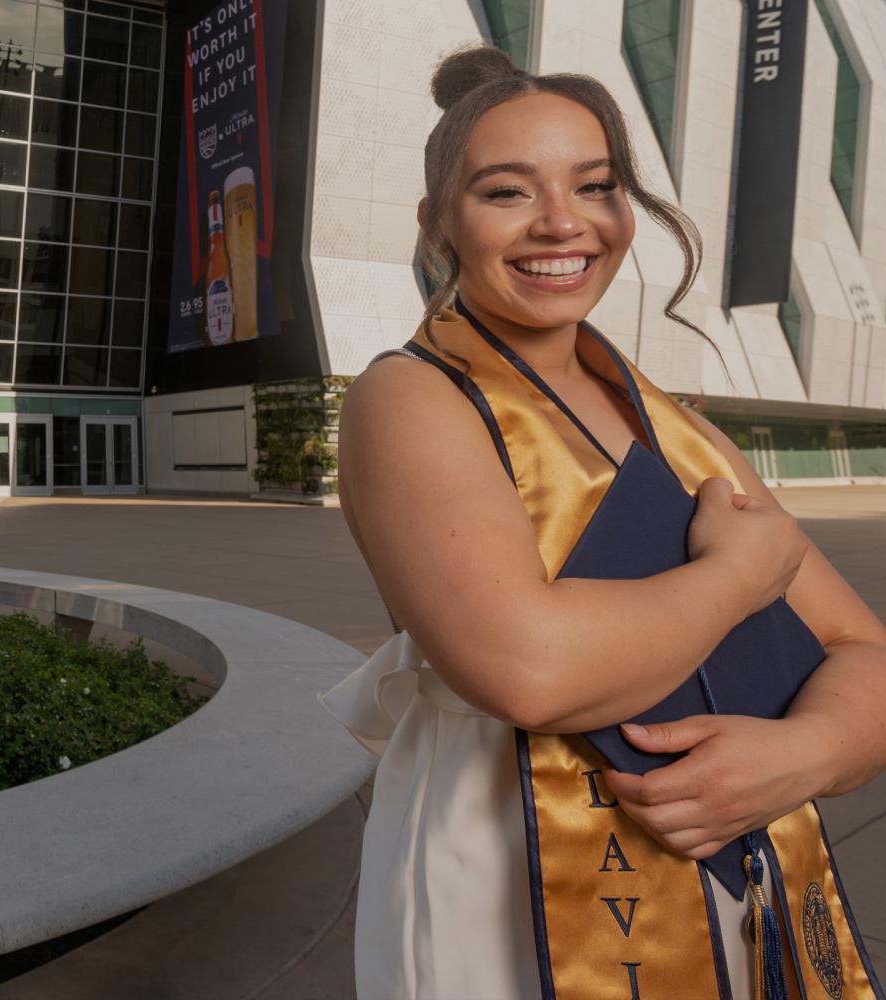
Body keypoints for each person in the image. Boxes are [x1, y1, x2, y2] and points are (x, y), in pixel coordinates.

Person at [320, 45, 886, 1000]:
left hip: (730, 855)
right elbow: (529, 670)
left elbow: (864, 650)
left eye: (595, 185)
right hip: (506, 862)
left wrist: (805, 753)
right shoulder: (410, 398)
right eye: (506, 191)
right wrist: (740, 578)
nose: (561, 223)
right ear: (437, 222)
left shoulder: (676, 424)